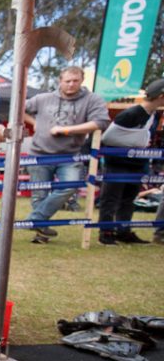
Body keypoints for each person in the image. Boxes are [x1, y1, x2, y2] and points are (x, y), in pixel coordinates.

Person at [22, 66, 110, 243]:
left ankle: (35, 219)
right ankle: (41, 234)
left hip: (70, 155)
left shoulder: (92, 100)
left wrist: (68, 129)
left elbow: (101, 122)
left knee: (70, 186)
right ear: (60, 81)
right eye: (67, 81)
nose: (71, 84)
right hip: (40, 153)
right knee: (39, 194)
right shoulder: (42, 98)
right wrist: (34, 122)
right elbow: (18, 109)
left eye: (75, 81)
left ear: (81, 81)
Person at [97, 77, 164, 245]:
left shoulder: (153, 115)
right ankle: (106, 232)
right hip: (118, 162)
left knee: (129, 198)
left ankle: (123, 231)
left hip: (137, 163)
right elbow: (108, 137)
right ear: (161, 96)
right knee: (110, 198)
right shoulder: (132, 113)